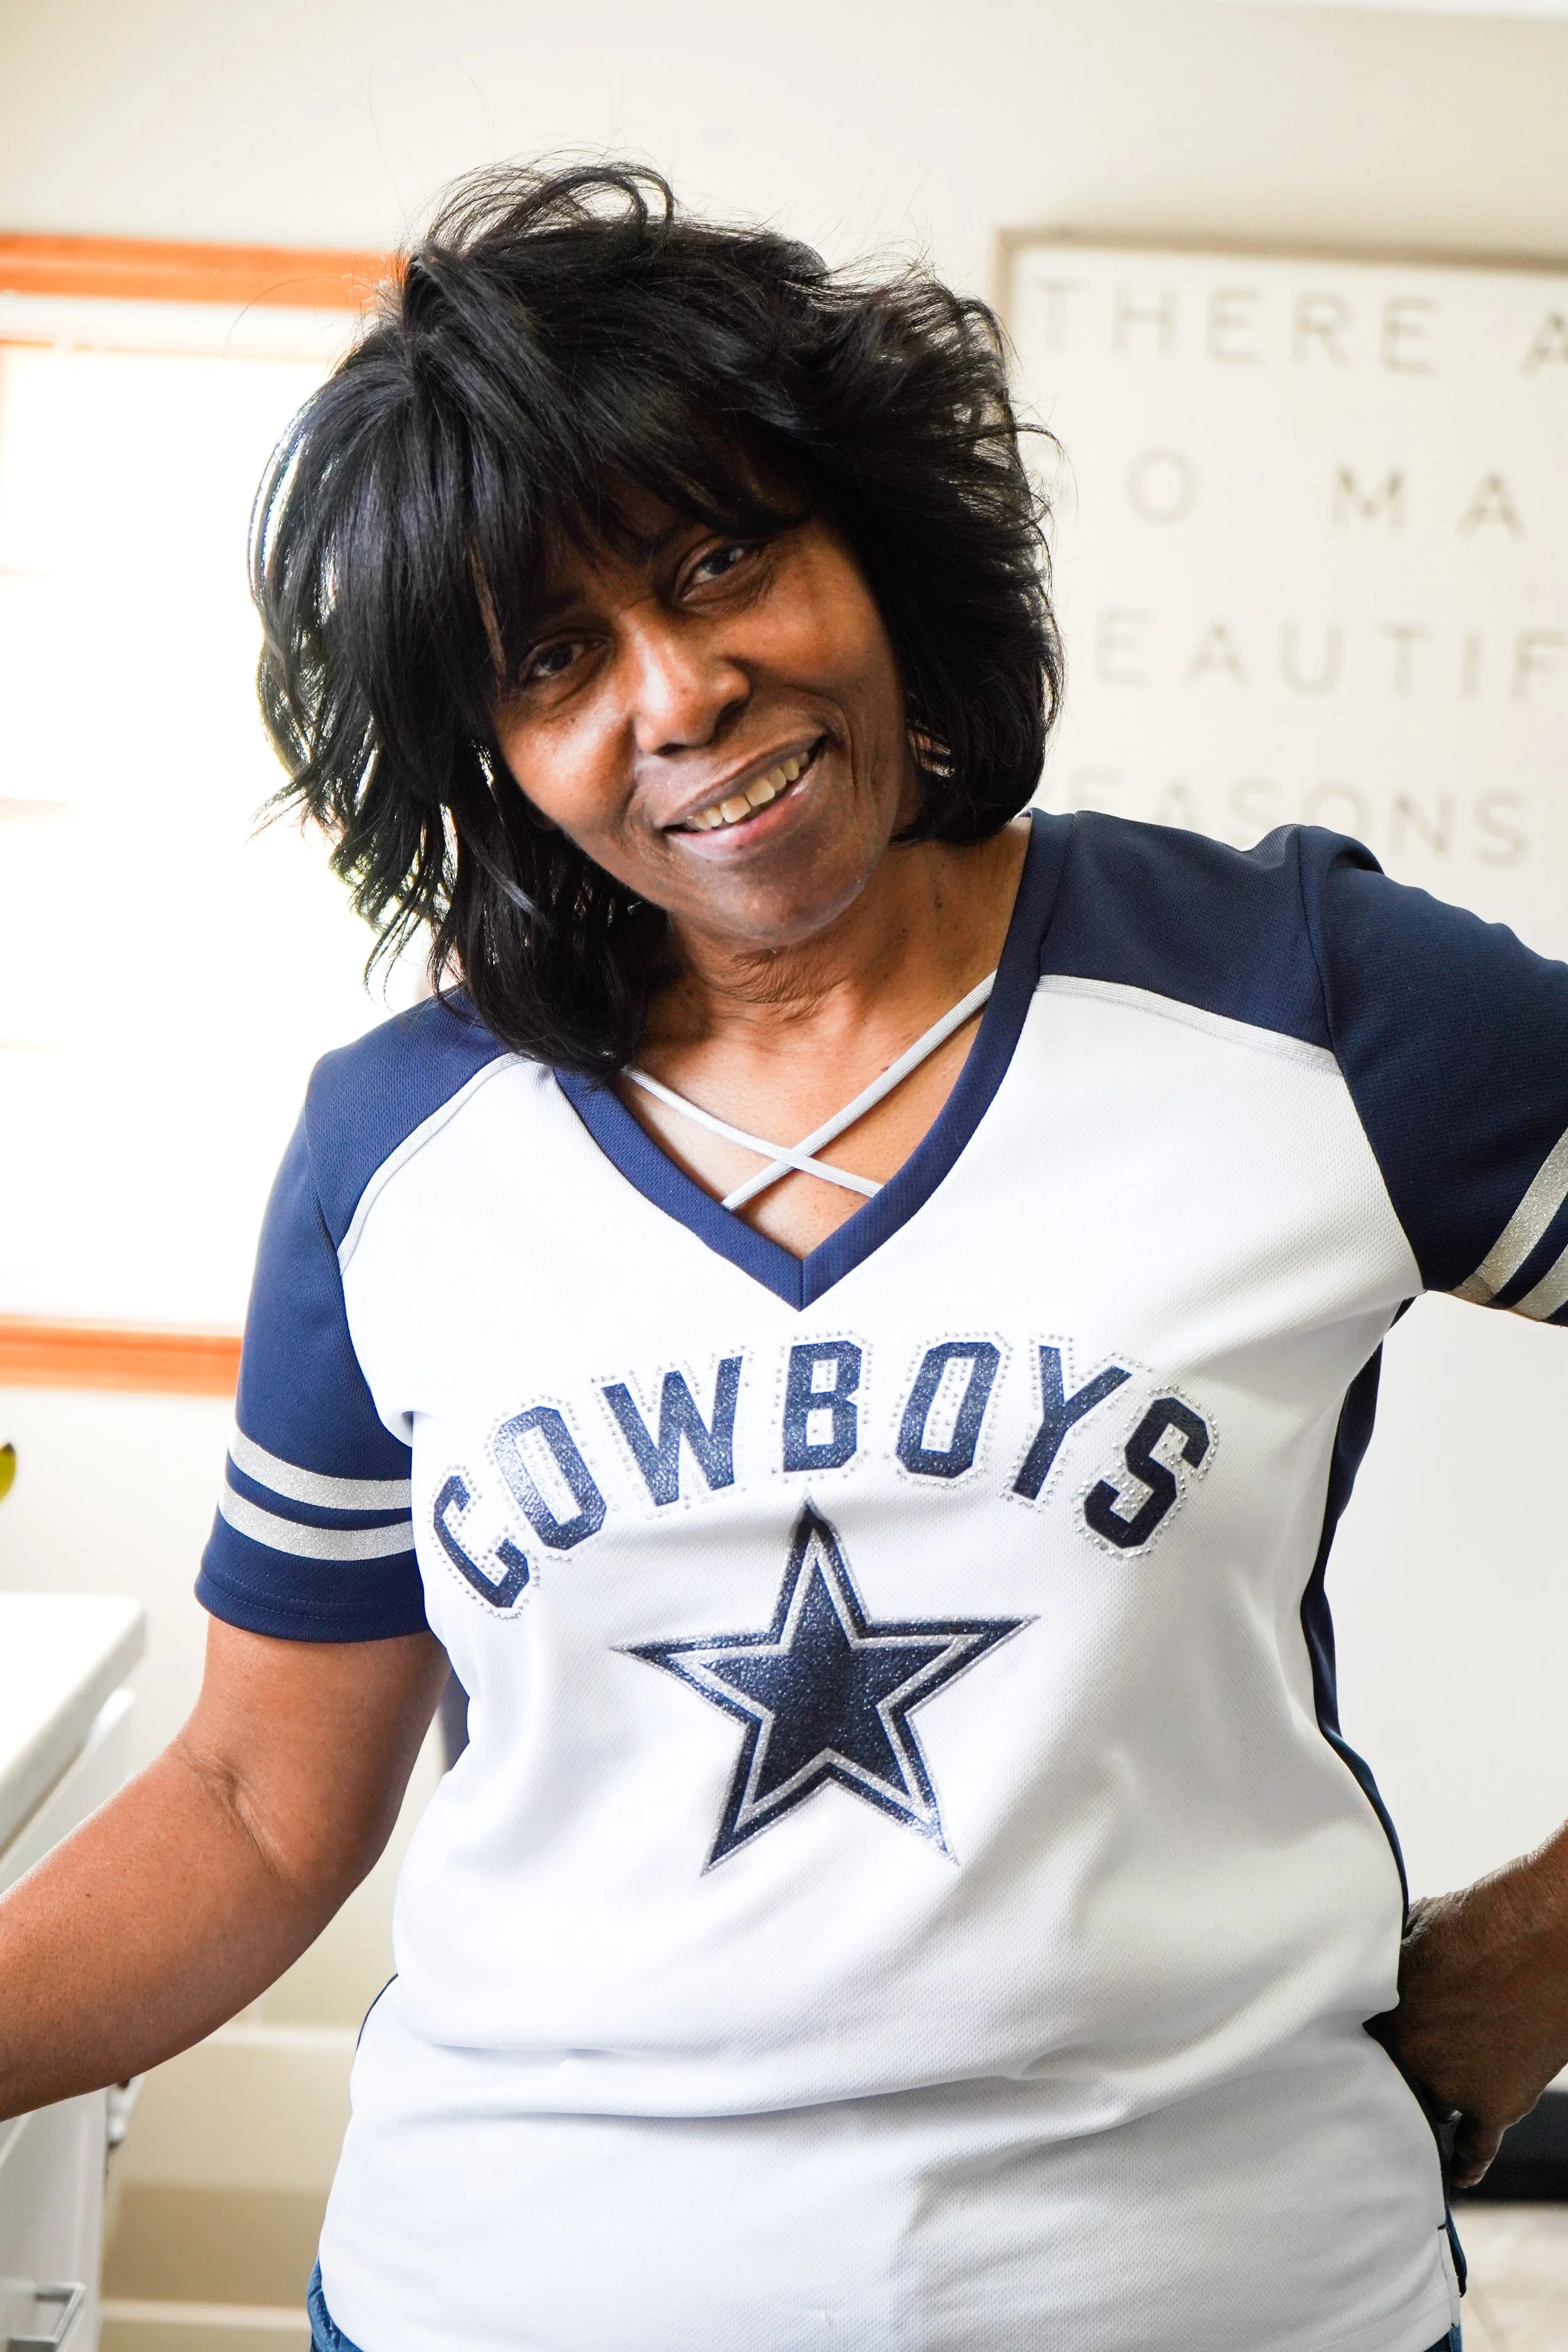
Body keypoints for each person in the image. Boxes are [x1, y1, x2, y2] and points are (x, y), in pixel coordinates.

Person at [1, 162, 1564, 2352]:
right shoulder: (396, 1151)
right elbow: (256, 1807)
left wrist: (1530, 1964)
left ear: (878, 543)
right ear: (484, 757)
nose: (681, 691)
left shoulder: (1293, 997)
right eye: (554, 659)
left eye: (720, 558)